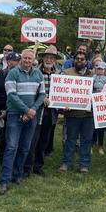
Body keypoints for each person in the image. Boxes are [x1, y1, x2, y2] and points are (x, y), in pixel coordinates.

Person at [0, 49, 45, 195]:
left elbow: (42, 94)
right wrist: (26, 110)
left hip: (31, 116)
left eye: (30, 59)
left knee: (25, 147)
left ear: (34, 60)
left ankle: (17, 175)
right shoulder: (13, 73)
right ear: (21, 59)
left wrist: (33, 110)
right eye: (25, 58)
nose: (27, 61)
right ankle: (4, 180)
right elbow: (11, 95)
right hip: (14, 115)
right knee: (11, 147)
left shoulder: (38, 74)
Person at [25, 45, 61, 176]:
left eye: (52, 58)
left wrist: (63, 102)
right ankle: (27, 166)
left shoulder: (59, 74)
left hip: (51, 111)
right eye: (47, 57)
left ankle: (38, 166)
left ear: (55, 60)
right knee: (32, 138)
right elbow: (29, 89)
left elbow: (64, 91)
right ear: (43, 58)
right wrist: (43, 97)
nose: (49, 60)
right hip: (36, 109)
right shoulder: (35, 72)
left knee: (44, 139)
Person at [59, 51, 96, 174]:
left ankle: (84, 165)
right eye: (77, 58)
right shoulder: (67, 73)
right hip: (72, 114)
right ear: (74, 60)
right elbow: (61, 92)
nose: (79, 61)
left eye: (82, 59)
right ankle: (66, 163)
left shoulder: (92, 75)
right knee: (70, 139)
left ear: (86, 61)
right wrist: (63, 104)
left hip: (88, 114)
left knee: (86, 140)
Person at [92, 60, 106, 155]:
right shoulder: (93, 77)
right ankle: (92, 143)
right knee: (93, 125)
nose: (100, 70)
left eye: (102, 69)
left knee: (101, 127)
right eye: (98, 69)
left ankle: (100, 146)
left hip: (102, 105)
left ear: (105, 70)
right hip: (94, 104)